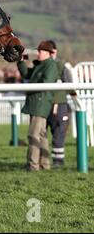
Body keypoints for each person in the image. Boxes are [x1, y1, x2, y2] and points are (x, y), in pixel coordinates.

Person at [17, 40, 59, 171]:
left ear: (49, 53)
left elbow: (46, 82)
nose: (38, 53)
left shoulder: (50, 65)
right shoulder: (40, 65)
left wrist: (30, 85)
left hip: (40, 103)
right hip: (36, 103)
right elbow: (26, 74)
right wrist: (21, 60)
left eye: (41, 51)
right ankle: (45, 164)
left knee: (33, 134)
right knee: (41, 135)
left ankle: (33, 164)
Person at [45, 40, 72, 168]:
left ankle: (58, 161)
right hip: (45, 105)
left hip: (59, 104)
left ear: (55, 52)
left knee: (59, 133)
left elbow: (70, 85)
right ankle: (44, 160)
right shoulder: (40, 65)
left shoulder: (61, 66)